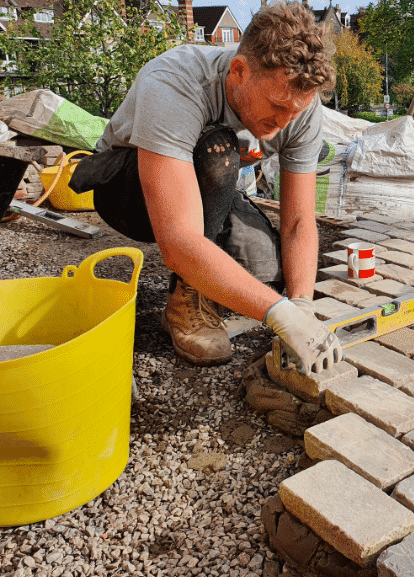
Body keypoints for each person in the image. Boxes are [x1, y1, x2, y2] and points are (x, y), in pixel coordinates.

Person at [70, 1, 342, 374]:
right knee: (219, 151)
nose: (283, 122)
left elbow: (297, 222)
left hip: (206, 189)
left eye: (294, 112)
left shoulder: (298, 104)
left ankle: (217, 274)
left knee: (265, 270)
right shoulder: (175, 81)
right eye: (277, 106)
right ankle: (186, 301)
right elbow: (180, 242)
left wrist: (301, 305)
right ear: (240, 70)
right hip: (125, 190)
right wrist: (278, 314)